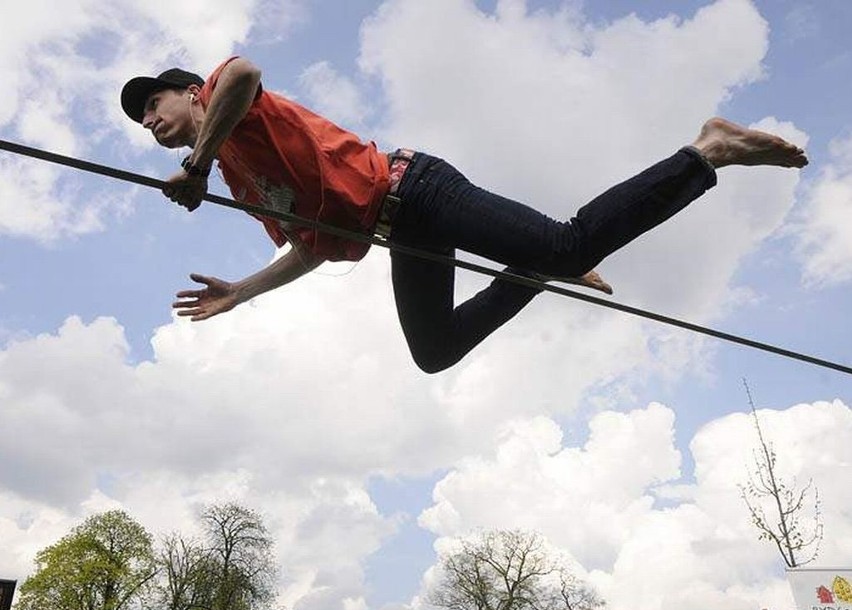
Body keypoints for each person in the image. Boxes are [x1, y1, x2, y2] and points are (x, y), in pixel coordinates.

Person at [121, 56, 808, 373]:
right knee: (434, 351)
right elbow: (311, 247)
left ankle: (708, 150)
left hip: (418, 188)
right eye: (144, 120)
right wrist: (240, 292)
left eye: (155, 105)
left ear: (188, 93)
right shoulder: (243, 183)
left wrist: (198, 163)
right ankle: (539, 271)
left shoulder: (221, 103)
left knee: (567, 244)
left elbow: (242, 75)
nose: (151, 120)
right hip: (400, 231)